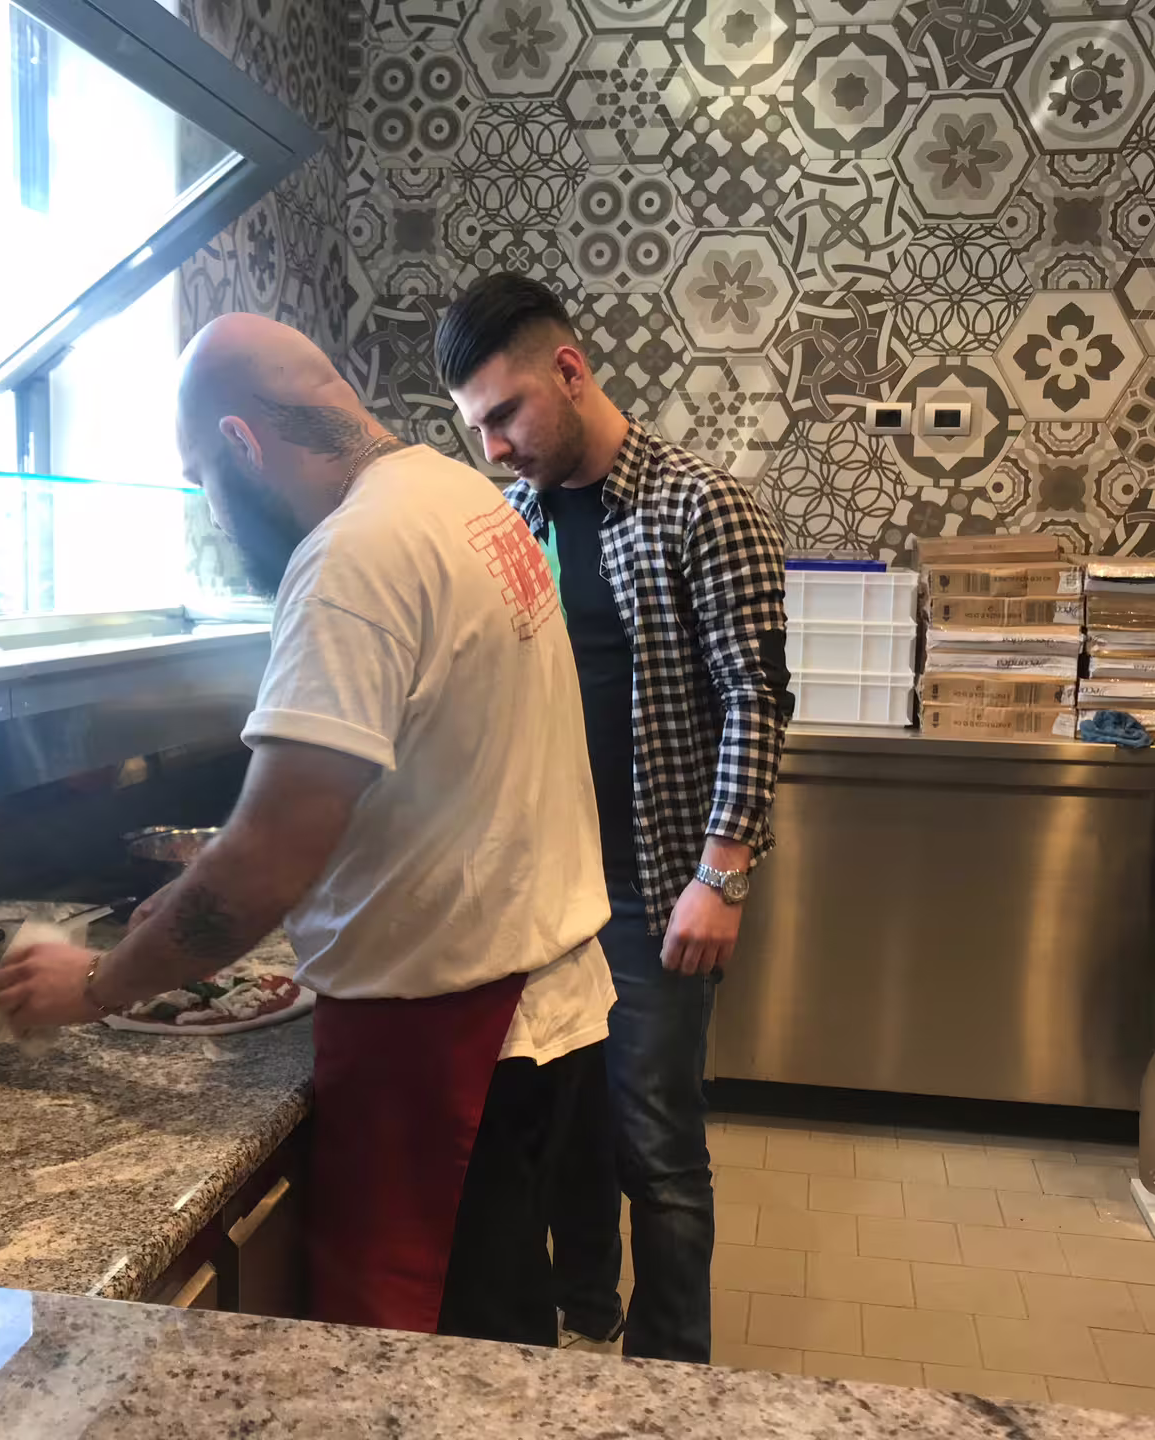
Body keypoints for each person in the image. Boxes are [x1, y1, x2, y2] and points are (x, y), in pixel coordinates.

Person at [0, 313, 616, 1346]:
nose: (210, 506)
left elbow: (263, 862)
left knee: (422, 1376)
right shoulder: (457, 496)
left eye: (202, 476)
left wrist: (93, 985)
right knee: (498, 1357)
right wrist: (185, 911)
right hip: (546, 1009)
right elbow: (424, 768)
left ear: (241, 444)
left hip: (450, 1042)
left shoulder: (350, 560)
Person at [436, 275, 792, 1363]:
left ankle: (674, 1377)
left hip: (654, 893)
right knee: (568, 1141)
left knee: (659, 1152)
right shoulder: (517, 520)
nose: (494, 448)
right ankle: (588, 1336)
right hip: (544, 896)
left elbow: (756, 693)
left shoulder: (700, 504)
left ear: (570, 371)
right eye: (475, 427)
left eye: (504, 415)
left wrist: (721, 871)